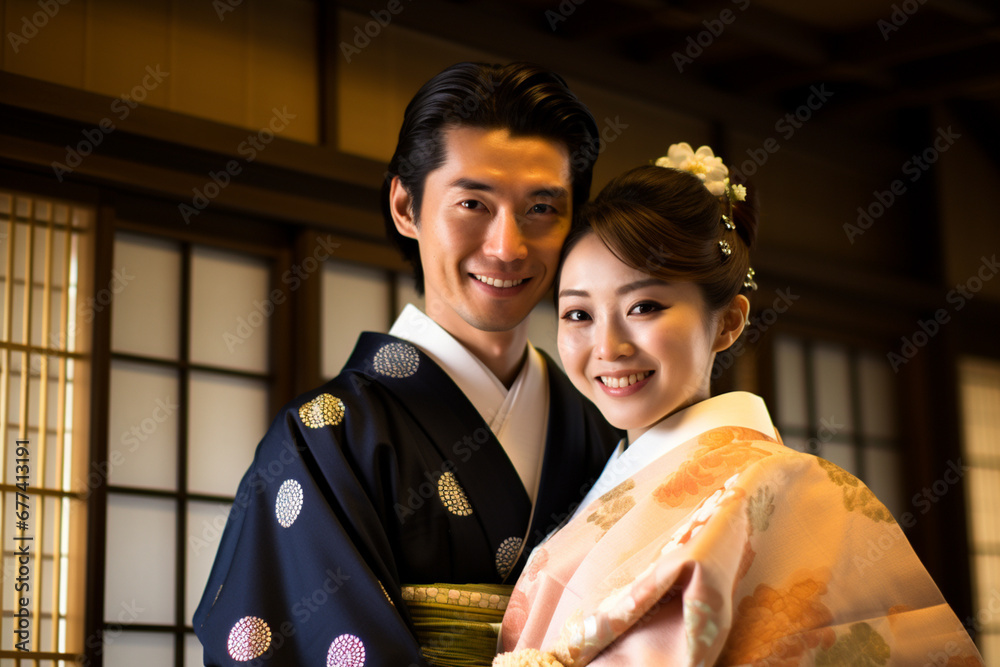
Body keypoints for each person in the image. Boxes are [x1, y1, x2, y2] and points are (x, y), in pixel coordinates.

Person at [193, 62, 620, 666]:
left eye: (542, 208)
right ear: (405, 205)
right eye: (473, 202)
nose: (507, 247)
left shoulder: (603, 429)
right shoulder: (324, 437)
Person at [494, 144, 984, 665]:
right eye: (577, 315)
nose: (608, 346)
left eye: (644, 306)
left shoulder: (795, 492)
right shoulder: (606, 479)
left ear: (728, 321)